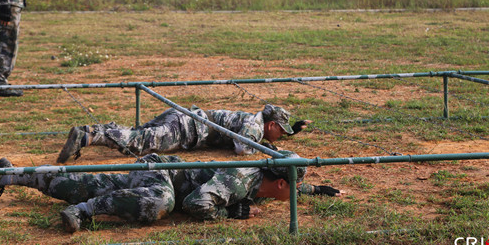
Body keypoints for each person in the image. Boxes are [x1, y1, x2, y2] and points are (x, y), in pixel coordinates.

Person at [0, 152, 341, 233]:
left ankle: (9, 174)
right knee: (163, 204)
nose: (295, 193)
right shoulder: (240, 181)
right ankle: (85, 211)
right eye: (294, 188)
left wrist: (317, 190)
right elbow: (196, 203)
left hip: (165, 173)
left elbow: (279, 190)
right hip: (163, 174)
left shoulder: (263, 181)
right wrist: (233, 213)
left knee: (84, 182)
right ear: (280, 184)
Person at [57, 104, 311, 163]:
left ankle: (93, 131)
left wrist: (287, 136)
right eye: (281, 131)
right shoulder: (254, 127)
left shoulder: (253, 121)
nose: (280, 135)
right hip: (187, 130)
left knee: (140, 133)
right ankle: (88, 137)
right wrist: (271, 149)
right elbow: (243, 149)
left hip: (184, 117)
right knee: (140, 142)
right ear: (271, 125)